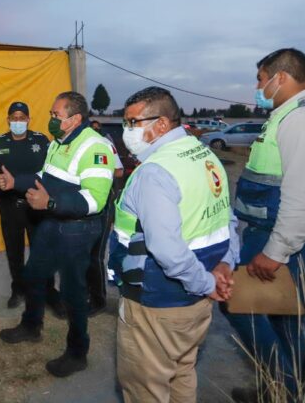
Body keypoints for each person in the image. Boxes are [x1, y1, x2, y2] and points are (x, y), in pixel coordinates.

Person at [224, 49, 305, 401]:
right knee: (285, 313)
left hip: (289, 238)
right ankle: (290, 387)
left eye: (261, 78)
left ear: (280, 77)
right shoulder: (297, 116)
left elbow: (302, 196)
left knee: (237, 300)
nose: (258, 86)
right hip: (288, 233)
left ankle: (283, 387)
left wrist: (275, 252)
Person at [107, 86, 239, 402]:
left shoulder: (155, 172)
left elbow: (166, 249)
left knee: (146, 388)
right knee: (182, 373)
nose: (127, 132)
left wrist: (207, 282)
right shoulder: (204, 155)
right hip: (195, 303)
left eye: (133, 123)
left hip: (157, 304)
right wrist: (225, 265)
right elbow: (227, 220)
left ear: (162, 124)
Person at [0, 91, 115, 378]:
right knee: (34, 275)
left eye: (55, 115)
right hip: (52, 221)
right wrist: (17, 182)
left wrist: (51, 203)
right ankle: (31, 325)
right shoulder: (58, 143)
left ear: (75, 119)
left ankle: (77, 352)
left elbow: (95, 201)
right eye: (51, 114)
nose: (51, 119)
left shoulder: (95, 147)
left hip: (78, 228)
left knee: (74, 291)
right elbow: (44, 177)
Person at [0, 101, 62, 313]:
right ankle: (19, 289)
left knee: (42, 250)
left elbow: (52, 170)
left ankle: (49, 291)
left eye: (22, 117)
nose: (18, 121)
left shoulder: (41, 140)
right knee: (14, 252)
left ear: (29, 120)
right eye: (14, 117)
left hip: (37, 205)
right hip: (9, 205)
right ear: (8, 120)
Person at [87, 118, 125, 315]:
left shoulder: (105, 144)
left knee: (96, 254)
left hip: (104, 205)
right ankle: (87, 292)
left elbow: (119, 171)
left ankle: (99, 299)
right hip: (84, 206)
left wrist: (96, 170)